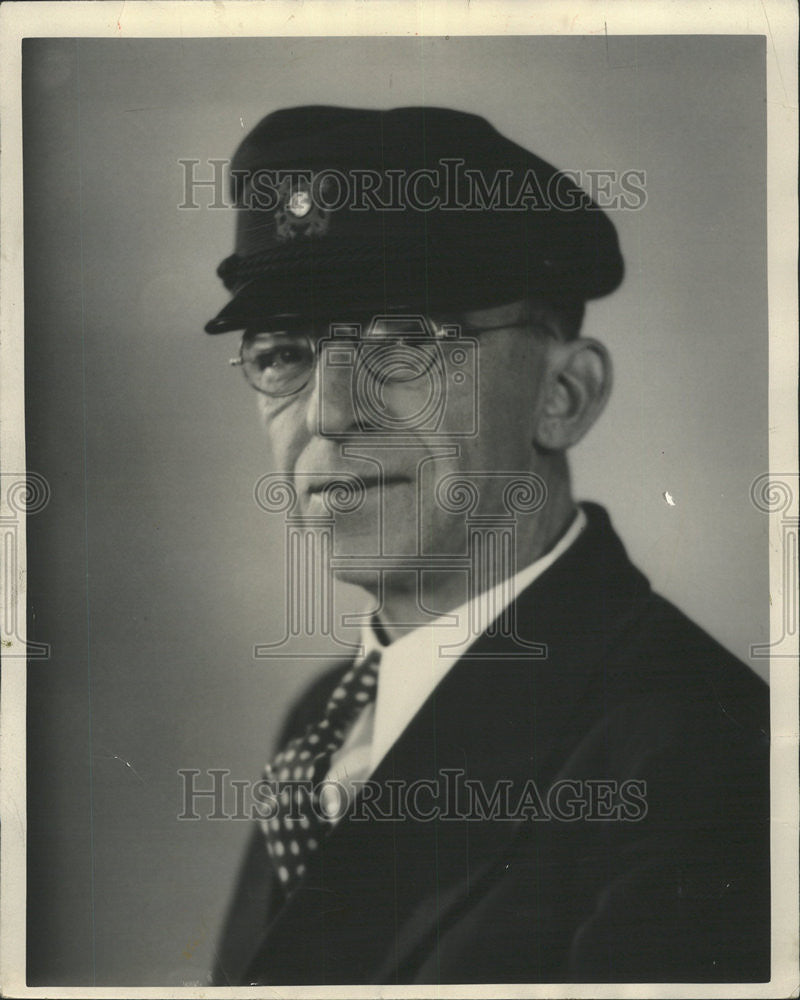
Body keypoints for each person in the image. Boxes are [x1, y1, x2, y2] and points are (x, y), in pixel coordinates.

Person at [203, 106, 769, 985]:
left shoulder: (703, 766)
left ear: (565, 396)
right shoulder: (322, 720)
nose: (329, 412)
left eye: (403, 344)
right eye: (283, 354)